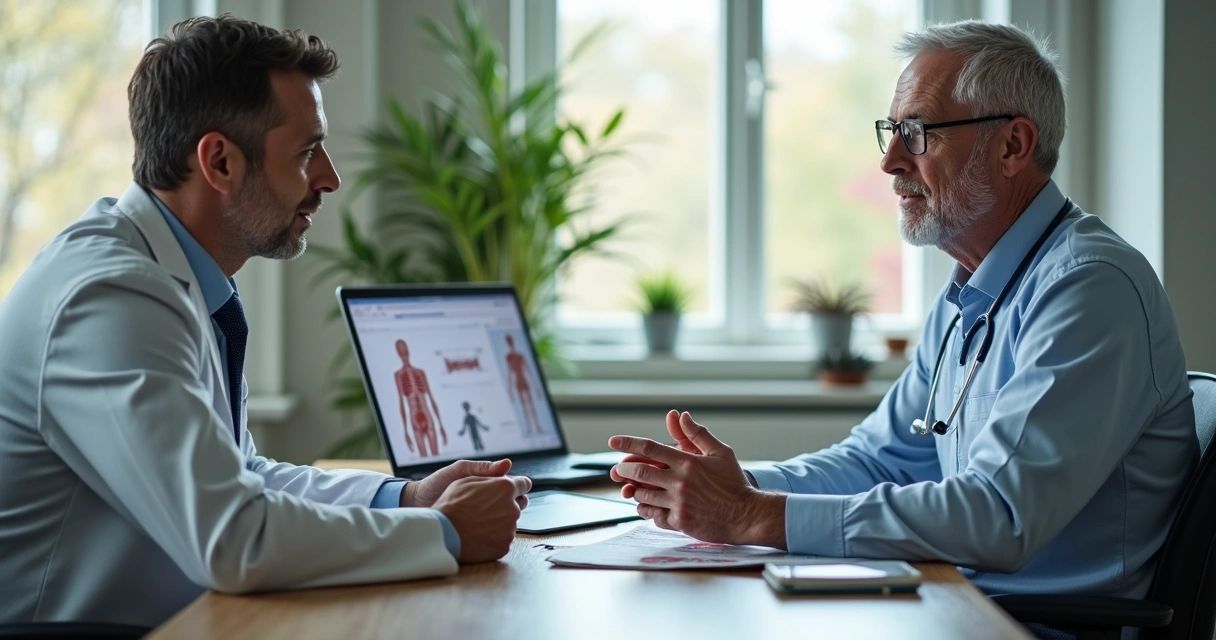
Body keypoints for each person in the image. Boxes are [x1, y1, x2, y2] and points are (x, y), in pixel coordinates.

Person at [609, 20, 1198, 604]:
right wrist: (737, 488)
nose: (891, 160)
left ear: (1012, 145)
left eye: (917, 132)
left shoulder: (1088, 289)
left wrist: (750, 515)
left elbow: (1000, 516)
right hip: (958, 602)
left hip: (1035, 626)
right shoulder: (971, 292)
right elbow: (878, 461)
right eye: (891, 130)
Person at [0, 15, 530, 628]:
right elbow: (234, 538)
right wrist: (445, 532)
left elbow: (239, 474)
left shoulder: (175, 278)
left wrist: (406, 499)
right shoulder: (110, 298)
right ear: (219, 162)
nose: (329, 178)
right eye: (307, 152)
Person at [394, 338, 448, 457]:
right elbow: (401, 403)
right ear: (398, 354)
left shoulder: (420, 372)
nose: (404, 356)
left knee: (436, 457)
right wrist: (405, 432)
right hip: (414, 418)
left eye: (406, 352)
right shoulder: (399, 375)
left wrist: (441, 425)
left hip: (427, 414)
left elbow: (431, 398)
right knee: (423, 458)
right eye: (401, 353)